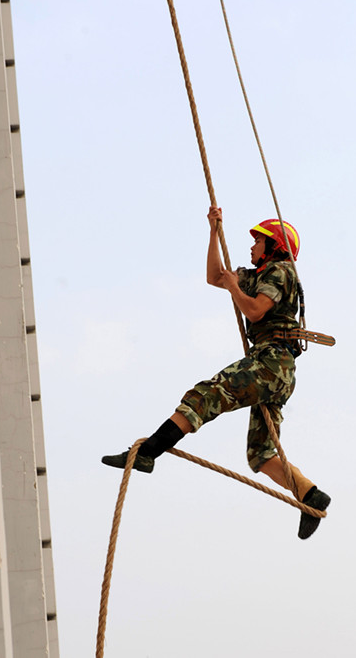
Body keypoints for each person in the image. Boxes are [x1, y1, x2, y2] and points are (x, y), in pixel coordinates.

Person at [102, 207, 330, 539]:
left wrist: (236, 290)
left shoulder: (281, 271)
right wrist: (213, 232)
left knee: (207, 394)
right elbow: (215, 277)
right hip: (276, 370)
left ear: (274, 246)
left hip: (271, 363)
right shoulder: (261, 274)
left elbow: (254, 311)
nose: (252, 248)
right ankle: (311, 496)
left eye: (258, 242)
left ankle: (148, 453)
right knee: (262, 453)